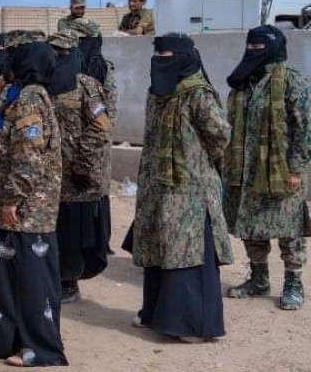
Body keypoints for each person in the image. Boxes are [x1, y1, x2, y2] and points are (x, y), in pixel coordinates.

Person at [128, 33, 230, 342]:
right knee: (158, 248)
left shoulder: (198, 93)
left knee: (188, 254)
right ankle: (156, 314)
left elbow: (220, 137)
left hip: (190, 190)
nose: (161, 60)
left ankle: (192, 325)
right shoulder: (156, 92)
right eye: (158, 53)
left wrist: (198, 165)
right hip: (158, 186)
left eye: (168, 54)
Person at [0, 35, 67, 367]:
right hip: (6, 206)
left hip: (26, 210)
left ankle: (38, 348)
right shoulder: (13, 96)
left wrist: (12, 198)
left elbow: (29, 157)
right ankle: (3, 340)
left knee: (31, 278)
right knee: (5, 276)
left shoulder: (30, 99)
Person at [224, 26, 310, 311]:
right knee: (250, 226)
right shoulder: (242, 83)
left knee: (290, 227)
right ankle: (259, 279)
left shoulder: (292, 82)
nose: (254, 50)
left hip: (282, 170)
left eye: (261, 46)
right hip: (246, 170)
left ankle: (293, 283)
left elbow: (305, 129)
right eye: (251, 45)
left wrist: (296, 169)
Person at [47, 30, 112, 303]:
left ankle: (68, 282)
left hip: (75, 177)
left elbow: (101, 126)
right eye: (53, 53)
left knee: (72, 233)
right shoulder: (40, 84)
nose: (58, 58)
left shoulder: (86, 86)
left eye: (63, 53)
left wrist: (83, 163)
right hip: (46, 176)